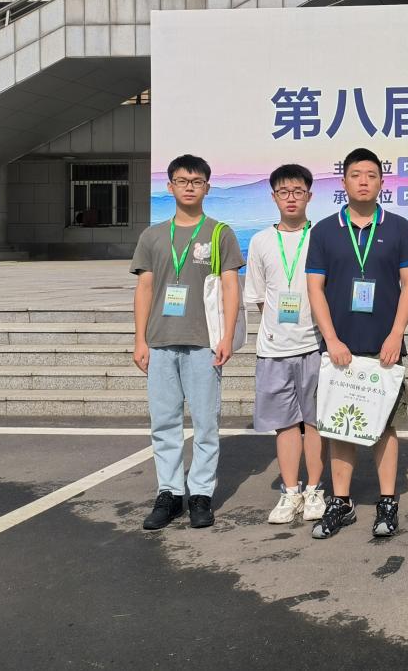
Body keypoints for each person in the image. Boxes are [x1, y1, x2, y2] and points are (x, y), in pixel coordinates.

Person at [305, 149, 408, 539]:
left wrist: (396, 334)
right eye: (356, 174)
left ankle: (388, 502)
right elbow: (315, 288)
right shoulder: (324, 230)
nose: (364, 181)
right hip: (340, 348)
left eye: (371, 175)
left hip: (385, 348)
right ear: (344, 182)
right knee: (340, 425)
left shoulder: (399, 227)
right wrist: (331, 339)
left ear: (382, 182)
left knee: (385, 426)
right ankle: (341, 502)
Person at [131, 154, 243, 530]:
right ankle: (169, 493)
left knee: (206, 423)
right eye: (182, 181)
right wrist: (140, 340)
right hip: (160, 341)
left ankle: (200, 495)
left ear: (207, 187)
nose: (189, 187)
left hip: (204, 342)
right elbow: (145, 288)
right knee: (164, 422)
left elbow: (231, 287)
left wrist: (227, 336)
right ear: (170, 187)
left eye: (196, 182)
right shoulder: (152, 236)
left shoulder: (219, 233)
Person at [243, 164, 327, 526]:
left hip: (316, 345)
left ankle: (315, 489)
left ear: (309, 195)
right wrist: (278, 328)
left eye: (298, 191)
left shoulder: (322, 236)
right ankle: (291, 491)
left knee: (316, 422)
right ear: (273, 196)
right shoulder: (261, 241)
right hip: (275, 349)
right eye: (283, 192)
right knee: (285, 424)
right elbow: (259, 296)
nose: (291, 198)